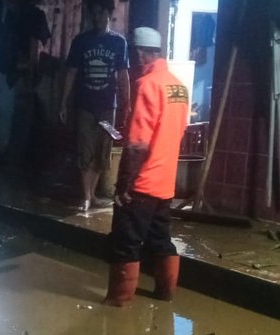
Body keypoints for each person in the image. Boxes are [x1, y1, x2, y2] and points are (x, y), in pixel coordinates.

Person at [103, 27, 189, 306]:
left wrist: (124, 185)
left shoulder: (147, 84)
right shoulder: (177, 86)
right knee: (160, 240)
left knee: (125, 242)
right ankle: (165, 294)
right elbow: (178, 130)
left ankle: (118, 301)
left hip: (142, 184)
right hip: (165, 184)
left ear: (140, 53)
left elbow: (138, 143)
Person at [59, 0, 130, 213]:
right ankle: (87, 196)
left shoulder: (119, 43)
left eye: (102, 15)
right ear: (90, 16)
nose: (98, 19)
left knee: (102, 151)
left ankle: (94, 194)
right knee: (85, 149)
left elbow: (123, 75)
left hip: (109, 107)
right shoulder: (80, 41)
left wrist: (127, 104)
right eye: (95, 15)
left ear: (109, 15)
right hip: (85, 105)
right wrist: (63, 103)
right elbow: (71, 73)